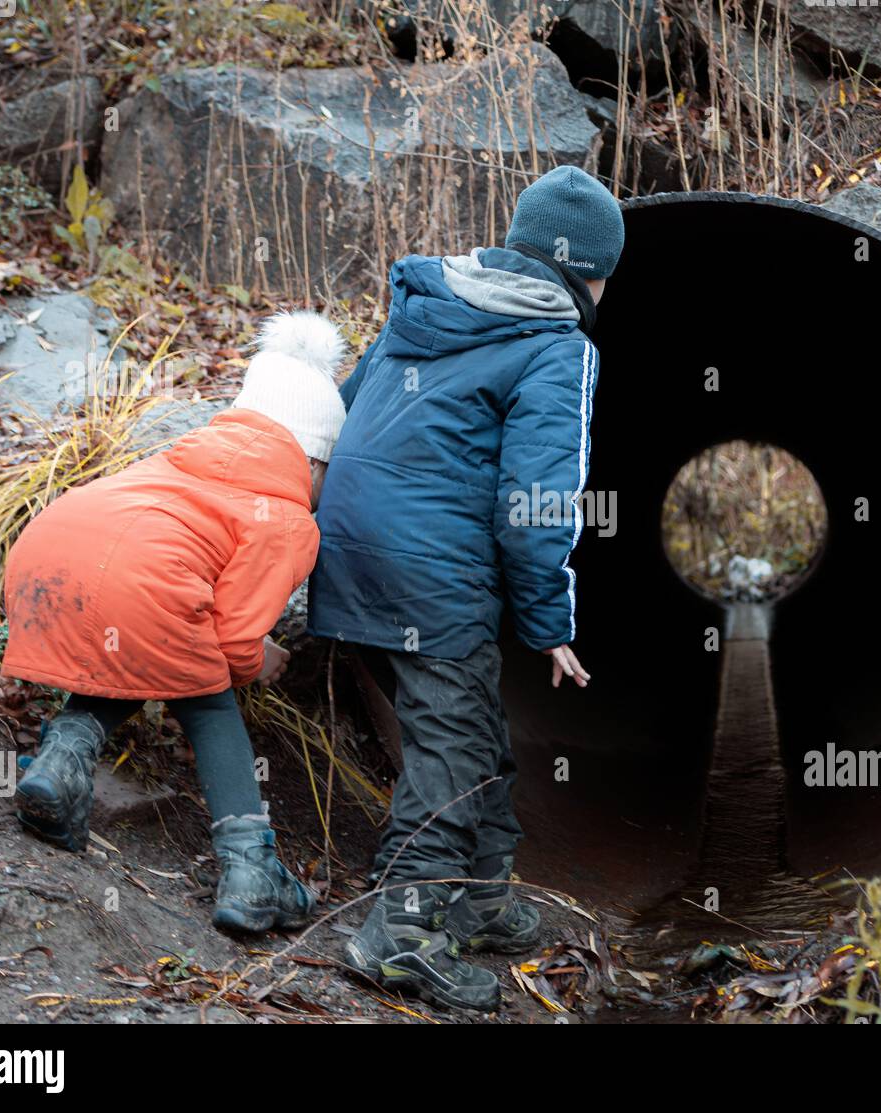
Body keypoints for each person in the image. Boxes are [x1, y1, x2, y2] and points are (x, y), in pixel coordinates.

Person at [308, 164, 624, 1010]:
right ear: (589, 272)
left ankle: (481, 898)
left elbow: (341, 409)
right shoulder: (561, 346)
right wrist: (550, 617)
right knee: (451, 745)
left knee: (473, 722)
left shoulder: (427, 302)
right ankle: (398, 932)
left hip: (345, 544)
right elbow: (537, 503)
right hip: (429, 565)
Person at [1, 311, 346, 935]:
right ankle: (251, 870)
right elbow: (236, 639)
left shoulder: (183, 462)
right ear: (316, 461)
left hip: (46, 557)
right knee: (206, 695)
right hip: (138, 586)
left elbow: (168, 595)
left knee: (141, 647)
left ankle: (60, 764)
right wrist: (258, 660)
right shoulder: (290, 516)